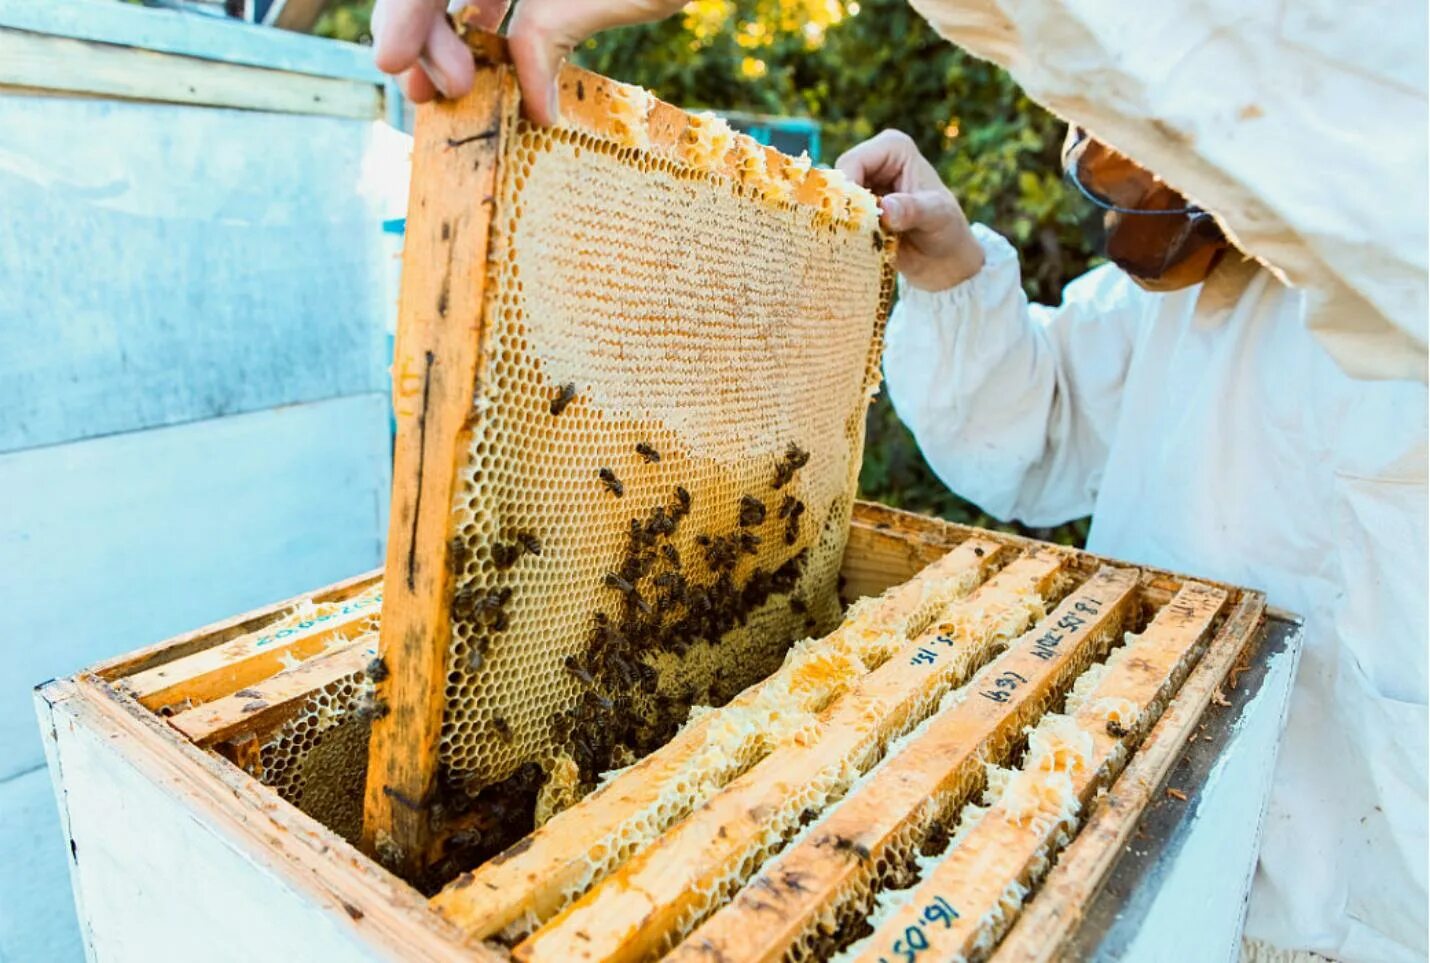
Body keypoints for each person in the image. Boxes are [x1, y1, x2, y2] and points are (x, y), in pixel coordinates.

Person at [369, 3, 1429, 960]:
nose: (1115, 191)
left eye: (1141, 151)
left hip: (1354, 910)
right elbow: (1043, 430)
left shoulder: (1388, 205)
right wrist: (955, 271)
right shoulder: (1168, 303)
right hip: (1118, 821)